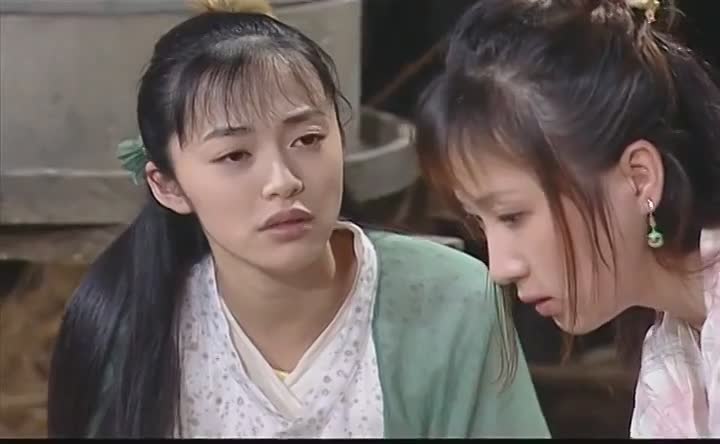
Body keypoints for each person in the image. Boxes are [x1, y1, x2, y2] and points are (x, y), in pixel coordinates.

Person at [45, 0, 549, 438]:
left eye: (307, 139)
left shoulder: (451, 300)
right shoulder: (129, 328)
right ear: (168, 186)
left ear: (341, 140)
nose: (282, 180)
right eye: (234, 155)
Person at [413, 0, 720, 438]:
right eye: (481, 223)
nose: (500, 267)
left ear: (639, 179)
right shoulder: (674, 344)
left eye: (512, 216)